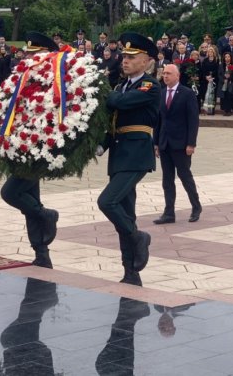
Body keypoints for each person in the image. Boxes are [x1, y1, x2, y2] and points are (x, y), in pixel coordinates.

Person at [97, 32, 160, 287]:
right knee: (125, 211)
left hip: (136, 154)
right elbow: (113, 118)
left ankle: (139, 237)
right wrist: (101, 144)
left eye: (132, 57)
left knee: (107, 201)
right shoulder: (120, 86)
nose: (125, 60)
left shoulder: (149, 86)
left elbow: (119, 103)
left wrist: (104, 96)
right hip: (119, 154)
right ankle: (130, 270)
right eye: (124, 56)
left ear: (145, 61)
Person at [0, 32, 61, 268]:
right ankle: (41, 252)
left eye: (35, 53)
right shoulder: (25, 77)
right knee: (30, 197)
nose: (30, 56)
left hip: (43, 145)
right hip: (23, 144)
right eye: (29, 52)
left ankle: (48, 216)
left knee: (11, 192)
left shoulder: (54, 78)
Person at [153, 64, 201, 225]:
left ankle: (196, 206)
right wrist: (156, 143)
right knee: (167, 180)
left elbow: (193, 120)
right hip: (165, 143)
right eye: (164, 73)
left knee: (185, 176)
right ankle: (169, 213)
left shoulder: (187, 94)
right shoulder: (161, 93)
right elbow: (158, 120)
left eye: (168, 74)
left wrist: (191, 144)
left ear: (177, 76)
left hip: (181, 144)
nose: (165, 76)